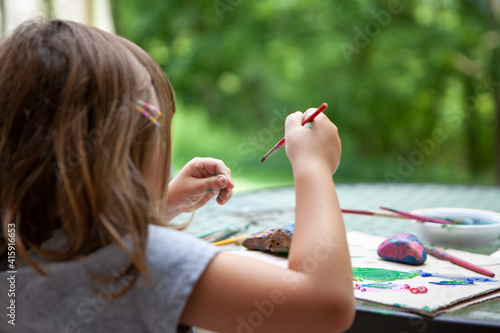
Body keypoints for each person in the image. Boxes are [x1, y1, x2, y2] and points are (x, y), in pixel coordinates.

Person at [0, 19, 355, 333]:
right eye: (157, 128)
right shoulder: (144, 264)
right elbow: (326, 305)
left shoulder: (16, 244)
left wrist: (157, 204)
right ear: (126, 155)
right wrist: (314, 166)